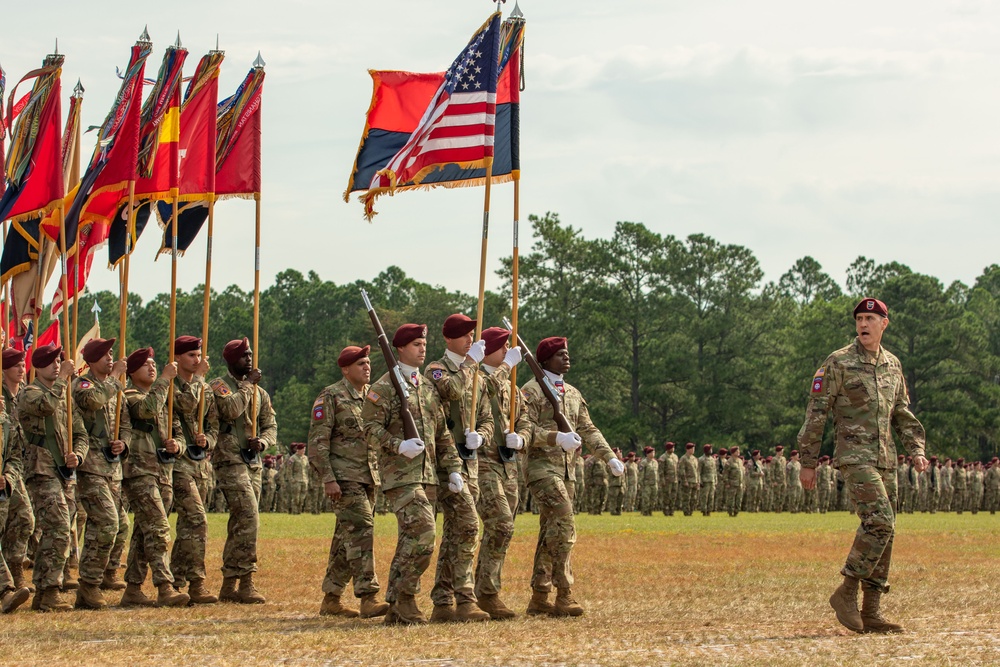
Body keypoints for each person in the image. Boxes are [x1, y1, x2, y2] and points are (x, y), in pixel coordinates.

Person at [798, 297, 926, 634]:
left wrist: (916, 449)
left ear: (885, 323)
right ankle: (846, 591)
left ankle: (871, 610)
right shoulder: (838, 362)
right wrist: (808, 461)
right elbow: (816, 414)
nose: (863, 324)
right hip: (854, 458)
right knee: (879, 521)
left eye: (870, 318)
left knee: (887, 531)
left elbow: (901, 413)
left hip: (885, 459)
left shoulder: (893, 366)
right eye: (859, 319)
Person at [360, 323, 464, 625]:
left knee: (410, 538)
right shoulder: (383, 388)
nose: (422, 349)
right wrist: (397, 444)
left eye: (424, 343)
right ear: (401, 348)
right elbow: (368, 429)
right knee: (424, 533)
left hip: (428, 475)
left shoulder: (427, 387)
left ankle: (395, 605)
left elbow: (442, 432)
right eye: (416, 344)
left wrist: (454, 468)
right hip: (399, 475)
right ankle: (405, 597)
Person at [520, 336, 624, 617]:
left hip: (568, 471)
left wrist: (609, 456)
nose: (566, 358)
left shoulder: (573, 393)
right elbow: (525, 432)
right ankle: (564, 593)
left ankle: (540, 596)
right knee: (565, 524)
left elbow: (588, 429)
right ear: (544, 360)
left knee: (550, 531)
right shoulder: (530, 392)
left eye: (567, 354)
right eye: (559, 354)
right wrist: (555, 438)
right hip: (541, 469)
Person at [309, 344, 389, 619]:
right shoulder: (331, 396)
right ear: (345, 369)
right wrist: (328, 479)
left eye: (368, 362)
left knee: (346, 539)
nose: (367, 367)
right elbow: (318, 442)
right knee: (362, 530)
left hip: (368, 477)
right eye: (360, 363)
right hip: (344, 479)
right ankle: (369, 596)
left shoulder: (372, 397)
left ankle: (331, 598)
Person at [424, 313, 492, 623]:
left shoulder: (475, 372)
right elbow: (449, 390)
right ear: (449, 339)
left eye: (472, 334)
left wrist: (483, 436)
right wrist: (470, 364)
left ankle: (442, 600)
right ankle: (465, 598)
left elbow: (488, 416)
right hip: (446, 462)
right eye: (464, 335)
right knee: (469, 525)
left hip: (471, 462)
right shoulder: (437, 369)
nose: (470, 339)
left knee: (456, 533)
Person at [18, 344, 88, 612]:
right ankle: (48, 590)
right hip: (41, 469)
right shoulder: (30, 393)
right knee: (58, 526)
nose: (57, 365)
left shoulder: (65, 397)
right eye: (50, 362)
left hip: (63, 472)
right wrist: (61, 381)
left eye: (59, 361)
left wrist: (78, 456)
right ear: (37, 366)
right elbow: (45, 408)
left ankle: (47, 591)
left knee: (60, 529)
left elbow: (80, 433)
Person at [121, 347, 190, 608]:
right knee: (159, 528)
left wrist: (178, 445)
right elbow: (146, 410)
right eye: (146, 364)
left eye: (154, 363)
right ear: (132, 371)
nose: (152, 367)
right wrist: (164, 379)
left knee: (143, 531)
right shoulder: (129, 395)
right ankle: (165, 587)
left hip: (162, 470)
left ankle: (133, 587)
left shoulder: (162, 396)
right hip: (139, 471)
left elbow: (177, 431)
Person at [211, 337, 277, 604]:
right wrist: (248, 385)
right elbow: (230, 409)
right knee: (249, 517)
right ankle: (246, 580)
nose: (249, 359)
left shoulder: (261, 394)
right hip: (229, 460)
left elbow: (270, 425)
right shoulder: (219, 385)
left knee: (241, 522)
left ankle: (229, 584)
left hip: (253, 462)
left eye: (250, 355)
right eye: (243, 356)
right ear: (230, 360)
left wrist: (263, 441)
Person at [473, 326, 530, 619]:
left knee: (503, 531)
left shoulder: (512, 385)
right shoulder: (476, 378)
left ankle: (482, 588)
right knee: (500, 524)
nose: (508, 352)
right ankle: (487, 593)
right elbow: (484, 391)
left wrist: (521, 437)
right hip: (483, 463)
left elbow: (526, 420)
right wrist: (507, 366)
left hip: (508, 464)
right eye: (503, 347)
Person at [72, 338, 131, 610]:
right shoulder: (84, 385)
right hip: (91, 467)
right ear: (92, 359)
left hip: (112, 468)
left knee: (119, 526)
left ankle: (103, 577)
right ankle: (89, 585)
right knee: (106, 522)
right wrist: (117, 377)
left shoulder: (115, 387)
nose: (110, 358)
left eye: (111, 354)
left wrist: (124, 442)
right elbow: (93, 401)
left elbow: (125, 422)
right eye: (105, 355)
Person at [169, 335, 220, 604]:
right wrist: (199, 379)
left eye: (199, 354)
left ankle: (177, 579)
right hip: (178, 464)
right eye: (190, 355)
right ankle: (197, 582)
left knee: (188, 526)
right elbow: (184, 405)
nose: (197, 359)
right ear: (177, 358)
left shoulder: (206, 389)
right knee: (197, 519)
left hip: (200, 464)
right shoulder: (170, 384)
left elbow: (214, 425)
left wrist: (208, 440)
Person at [1, 348, 34, 595]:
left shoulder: (23, 394)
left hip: (15, 465)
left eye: (23, 364)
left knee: (24, 519)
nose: (22, 369)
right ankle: (7, 585)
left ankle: (15, 573)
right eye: (16, 365)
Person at [677, 443, 700, 516]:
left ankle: (691, 511)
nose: (693, 450)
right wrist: (684, 480)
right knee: (687, 498)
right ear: (687, 449)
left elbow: (697, 471)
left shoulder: (694, 458)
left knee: (694, 498)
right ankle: (686, 512)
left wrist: (698, 481)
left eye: (693, 448)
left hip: (694, 481)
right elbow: (681, 470)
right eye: (691, 448)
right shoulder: (683, 458)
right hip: (688, 481)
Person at [638, 446, 658, 515]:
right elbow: (641, 474)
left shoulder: (655, 462)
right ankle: (645, 512)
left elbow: (657, 473)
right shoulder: (644, 462)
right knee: (646, 499)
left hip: (654, 484)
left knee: (653, 499)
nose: (653, 453)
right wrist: (641, 484)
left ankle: (650, 511)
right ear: (647, 454)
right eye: (651, 452)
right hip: (647, 484)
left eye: (654, 452)